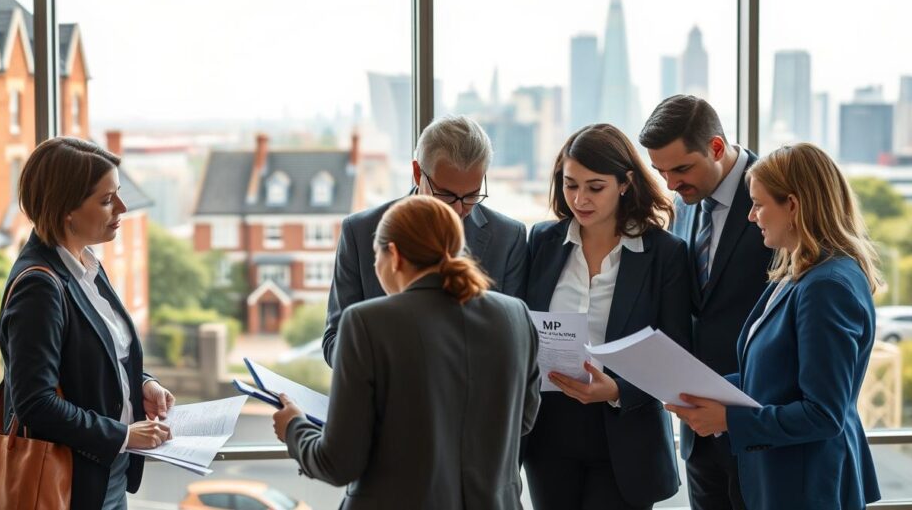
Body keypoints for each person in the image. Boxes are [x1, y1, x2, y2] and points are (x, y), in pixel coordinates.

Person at [273, 195, 540, 509]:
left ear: (395, 255)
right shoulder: (515, 316)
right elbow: (523, 420)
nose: (376, 266)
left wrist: (293, 427)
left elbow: (338, 463)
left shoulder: (366, 322)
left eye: (376, 256)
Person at [667, 143, 881, 510]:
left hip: (807, 486)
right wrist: (706, 389)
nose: (751, 217)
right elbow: (775, 378)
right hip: (783, 479)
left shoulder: (827, 286)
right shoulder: (799, 274)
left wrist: (729, 419)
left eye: (758, 204)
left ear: (793, 206)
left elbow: (823, 413)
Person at [523, 123, 692, 509]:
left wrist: (617, 390)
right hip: (549, 433)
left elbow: (676, 350)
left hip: (627, 434)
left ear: (625, 183)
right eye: (570, 184)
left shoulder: (665, 254)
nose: (579, 199)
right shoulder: (542, 242)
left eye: (594, 187)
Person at [0, 137, 175, 510]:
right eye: (107, 200)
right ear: (67, 209)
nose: (122, 208)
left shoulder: (87, 265)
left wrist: (142, 383)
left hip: (105, 472)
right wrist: (124, 435)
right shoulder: (39, 286)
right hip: (67, 484)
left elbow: (90, 356)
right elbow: (36, 403)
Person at [639, 95, 773, 510]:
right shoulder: (683, 205)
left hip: (758, 425)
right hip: (698, 433)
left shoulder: (776, 193)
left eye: (680, 169)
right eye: (660, 171)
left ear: (716, 147)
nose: (670, 184)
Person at [321, 114, 528, 365]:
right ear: (418, 173)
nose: (459, 210)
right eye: (447, 195)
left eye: (472, 195)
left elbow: (516, 343)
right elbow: (333, 342)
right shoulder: (360, 232)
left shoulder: (508, 238)